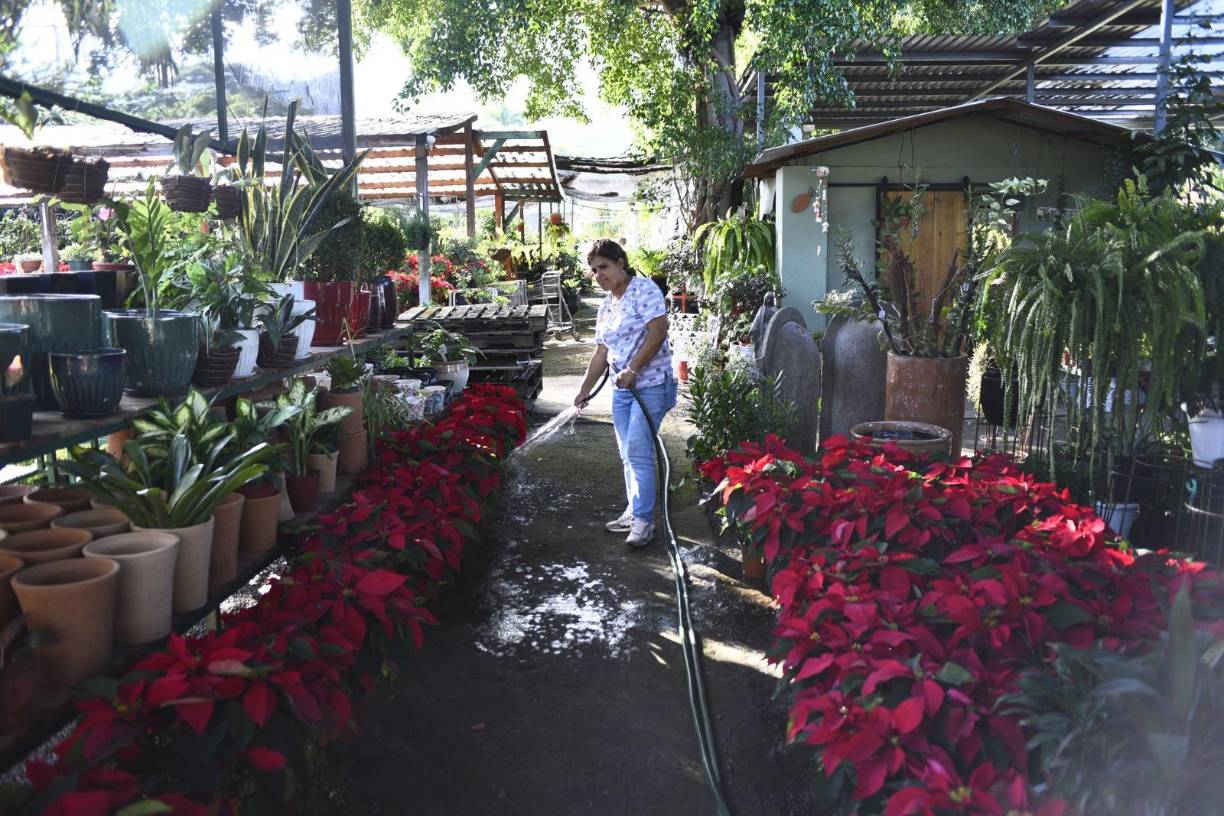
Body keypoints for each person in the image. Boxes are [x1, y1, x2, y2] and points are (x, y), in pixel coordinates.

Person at [574, 239, 677, 547]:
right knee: (627, 455)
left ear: (620, 262)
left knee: (637, 451)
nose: (598, 275)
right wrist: (583, 391)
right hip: (623, 390)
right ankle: (635, 511)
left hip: (652, 385)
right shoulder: (606, 305)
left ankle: (644, 522)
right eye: (593, 270)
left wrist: (632, 370)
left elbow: (659, 331)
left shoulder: (643, 290)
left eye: (603, 267)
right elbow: (600, 354)